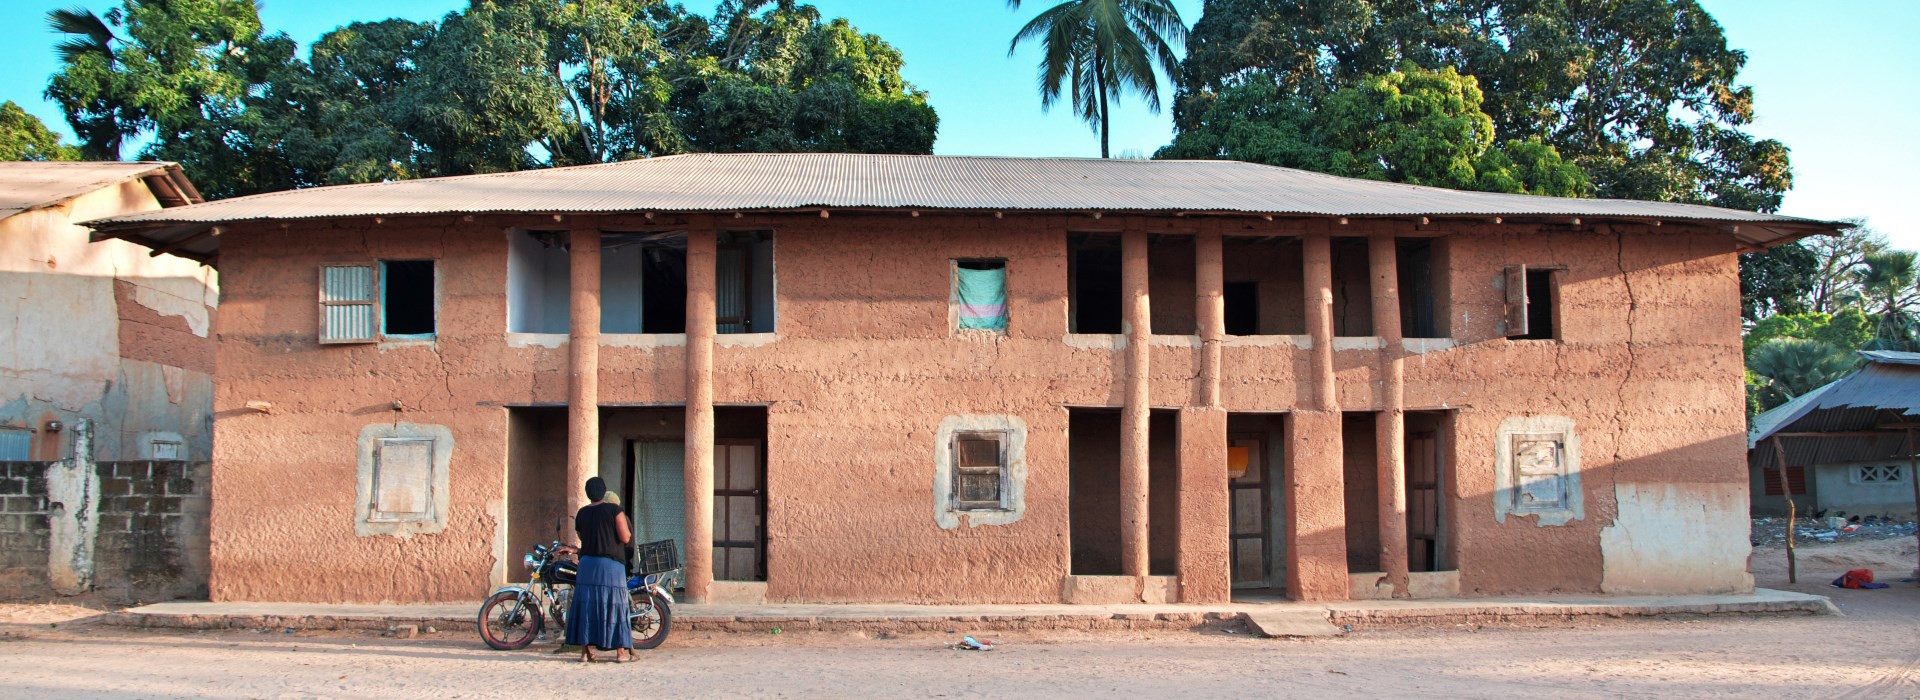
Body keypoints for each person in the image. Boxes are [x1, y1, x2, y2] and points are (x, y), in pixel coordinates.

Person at [566, 476, 633, 662]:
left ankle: (585, 653)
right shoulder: (615, 510)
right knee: (614, 605)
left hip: (587, 565)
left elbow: (582, 537)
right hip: (610, 566)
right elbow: (626, 537)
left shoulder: (582, 513)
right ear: (604, 491)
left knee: (587, 606)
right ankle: (620, 653)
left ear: (588, 494)